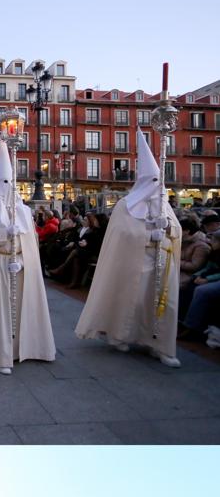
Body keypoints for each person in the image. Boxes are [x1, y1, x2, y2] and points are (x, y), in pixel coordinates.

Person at [75, 130, 182, 367]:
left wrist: (167, 230)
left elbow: (176, 232)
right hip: (135, 261)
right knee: (132, 301)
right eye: (152, 182)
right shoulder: (126, 205)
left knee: (166, 306)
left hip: (163, 264)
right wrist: (148, 235)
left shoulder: (165, 204)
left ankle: (161, 346)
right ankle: (120, 335)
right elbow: (122, 234)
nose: (156, 187)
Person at [0, 141, 55, 374]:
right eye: (3, 182)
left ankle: (18, 350)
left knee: (18, 309)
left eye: (10, 182)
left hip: (19, 265)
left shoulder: (24, 210)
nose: (7, 187)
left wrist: (24, 257)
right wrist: (3, 233)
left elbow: (30, 241)